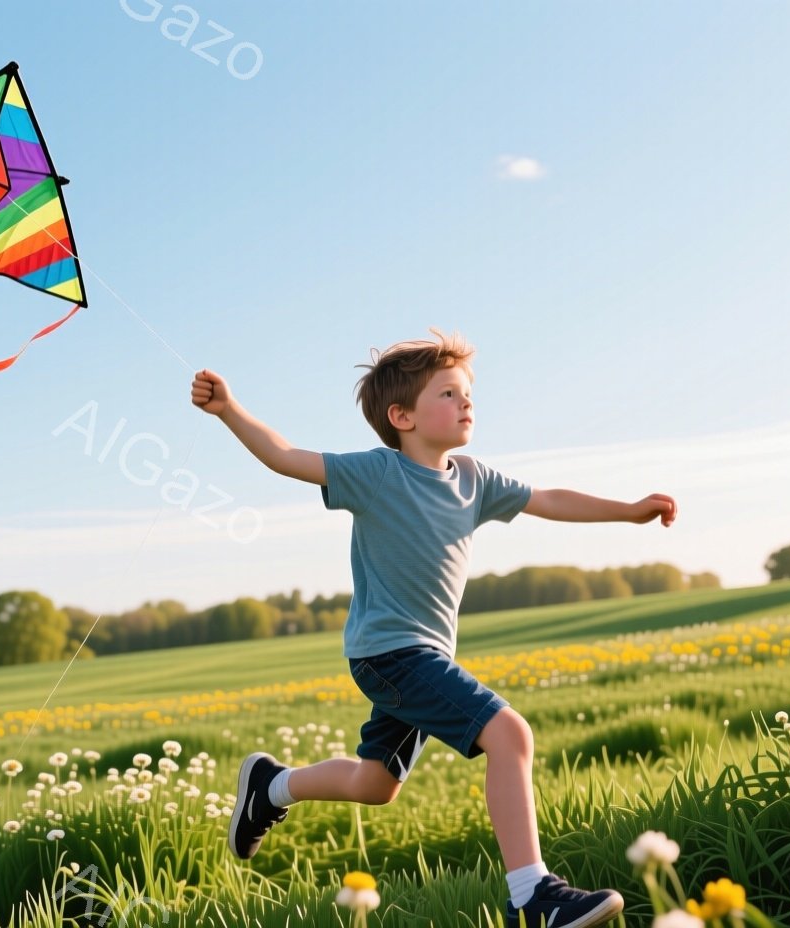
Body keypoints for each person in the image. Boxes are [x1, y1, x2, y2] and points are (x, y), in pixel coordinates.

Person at [190, 327, 676, 927]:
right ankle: (532, 896)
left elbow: (549, 498)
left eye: (467, 392)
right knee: (509, 734)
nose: (466, 402)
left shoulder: (474, 479)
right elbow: (285, 457)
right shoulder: (376, 474)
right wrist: (228, 409)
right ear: (403, 416)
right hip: (391, 655)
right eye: (448, 393)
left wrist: (628, 512)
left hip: (419, 656)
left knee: (376, 783)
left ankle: (272, 786)